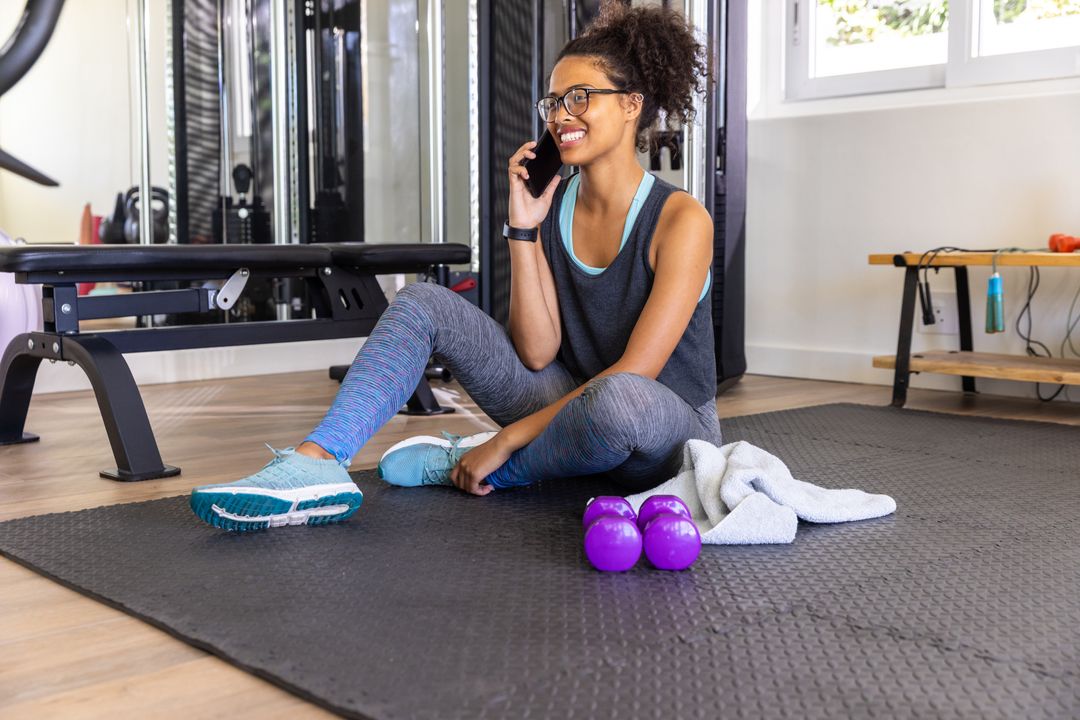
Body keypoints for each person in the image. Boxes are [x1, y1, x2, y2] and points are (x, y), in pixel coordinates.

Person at [189, 2, 720, 532]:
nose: (560, 115)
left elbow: (634, 374)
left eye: (579, 97)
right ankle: (318, 463)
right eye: (554, 101)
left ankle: (496, 466)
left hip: (661, 430)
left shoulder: (681, 220)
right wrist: (523, 229)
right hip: (569, 410)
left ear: (631, 105)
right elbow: (537, 353)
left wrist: (505, 438)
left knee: (617, 398)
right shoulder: (554, 205)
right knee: (421, 302)